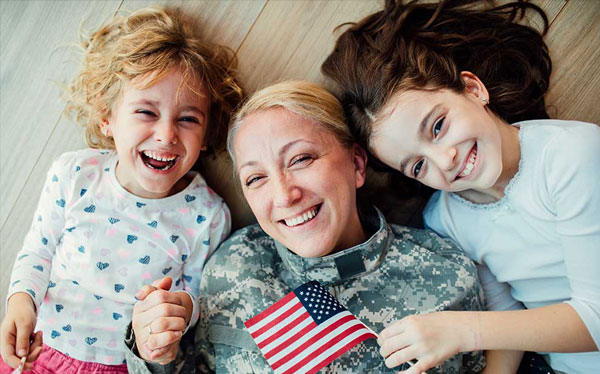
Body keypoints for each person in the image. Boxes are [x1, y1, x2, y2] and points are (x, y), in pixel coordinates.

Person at [124, 80, 488, 374]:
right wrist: (154, 352)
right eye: (255, 179)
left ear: (358, 165)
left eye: (301, 159)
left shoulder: (445, 274)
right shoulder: (236, 265)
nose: (284, 195)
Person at [321, 0, 600, 373]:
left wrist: (465, 330)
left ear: (472, 89)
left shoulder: (569, 154)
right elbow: (507, 313)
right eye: (418, 165)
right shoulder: (445, 217)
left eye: (437, 127)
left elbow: (596, 317)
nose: (445, 160)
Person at [0, 6, 242, 373]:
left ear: (207, 135)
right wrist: (20, 303)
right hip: (41, 349)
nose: (166, 135)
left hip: (125, 364)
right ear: (107, 117)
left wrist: (175, 313)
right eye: (146, 112)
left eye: (188, 119)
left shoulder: (206, 215)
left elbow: (194, 296)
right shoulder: (75, 174)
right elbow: (38, 252)